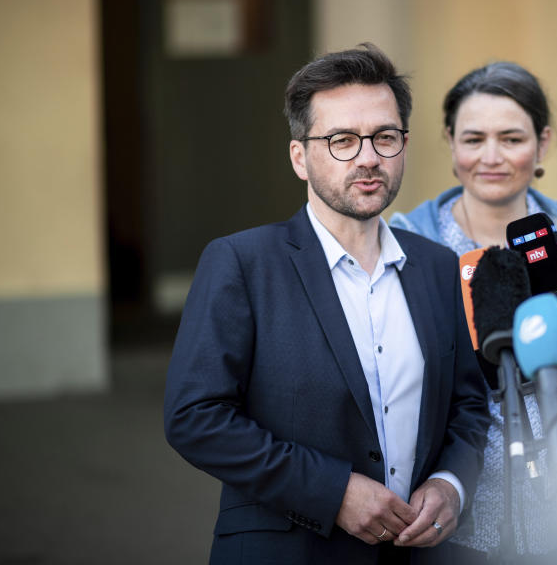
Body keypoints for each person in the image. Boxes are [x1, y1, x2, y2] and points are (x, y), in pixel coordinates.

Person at [164, 43, 490, 565]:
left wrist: (452, 483)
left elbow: (469, 406)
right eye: (342, 140)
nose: (367, 157)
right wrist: (333, 491)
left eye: (385, 137)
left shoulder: (435, 267)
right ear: (300, 156)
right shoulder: (242, 263)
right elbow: (195, 416)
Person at [390, 61, 557, 562]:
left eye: (511, 139)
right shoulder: (410, 240)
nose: (491, 157)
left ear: (542, 144)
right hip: (454, 524)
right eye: (473, 139)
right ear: (450, 144)